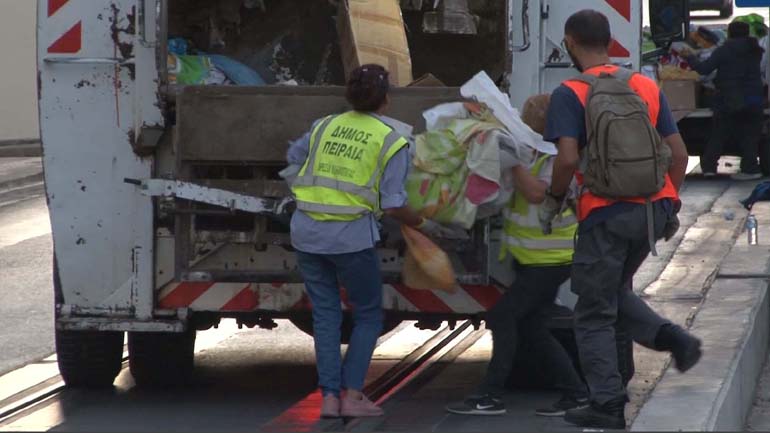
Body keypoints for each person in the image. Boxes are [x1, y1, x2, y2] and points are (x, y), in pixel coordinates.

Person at [540, 10, 703, 429]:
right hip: (654, 209)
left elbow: (568, 159)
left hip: (606, 212)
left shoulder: (570, 92)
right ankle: (672, 339)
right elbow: (680, 154)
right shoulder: (644, 85)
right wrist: (670, 201)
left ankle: (607, 404)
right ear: (610, 42)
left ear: (571, 43)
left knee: (592, 310)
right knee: (610, 291)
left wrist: (554, 199)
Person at [285, 64, 452, 418]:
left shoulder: (324, 125)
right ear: (386, 100)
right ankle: (353, 395)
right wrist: (424, 224)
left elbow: (294, 158)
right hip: (350, 238)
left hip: (306, 232)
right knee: (368, 313)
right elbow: (393, 203)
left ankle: (329, 398)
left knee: (326, 316)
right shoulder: (392, 140)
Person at [444, 122, 589, 417]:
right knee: (531, 327)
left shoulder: (554, 159)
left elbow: (538, 194)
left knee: (502, 316)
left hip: (550, 261)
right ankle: (576, 393)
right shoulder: (537, 158)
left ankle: (490, 394)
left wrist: (512, 165)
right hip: (537, 260)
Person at [685, 21, 765, 181]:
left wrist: (690, 58)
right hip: (755, 99)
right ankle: (750, 169)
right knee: (750, 135)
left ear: (730, 33)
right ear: (747, 33)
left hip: (730, 99)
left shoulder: (725, 50)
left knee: (719, 133)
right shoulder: (756, 50)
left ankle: (709, 168)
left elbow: (704, 69)